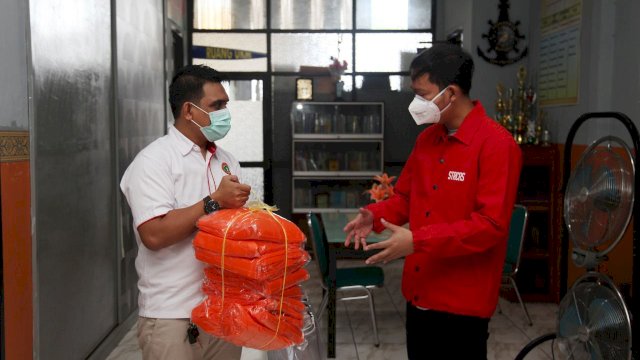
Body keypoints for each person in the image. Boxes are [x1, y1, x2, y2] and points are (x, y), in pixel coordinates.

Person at [344, 44, 522, 359]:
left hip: (463, 302)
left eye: (422, 94)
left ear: (451, 93)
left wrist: (418, 241)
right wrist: (376, 216)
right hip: (420, 290)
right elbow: (405, 199)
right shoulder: (428, 139)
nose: (416, 103)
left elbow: (490, 226)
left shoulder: (496, 145)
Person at [120, 64, 251, 360]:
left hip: (222, 309)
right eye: (215, 106)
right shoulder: (154, 161)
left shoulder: (225, 160)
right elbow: (154, 234)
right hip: (173, 315)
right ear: (189, 111)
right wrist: (213, 201)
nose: (224, 113)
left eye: (225, 104)